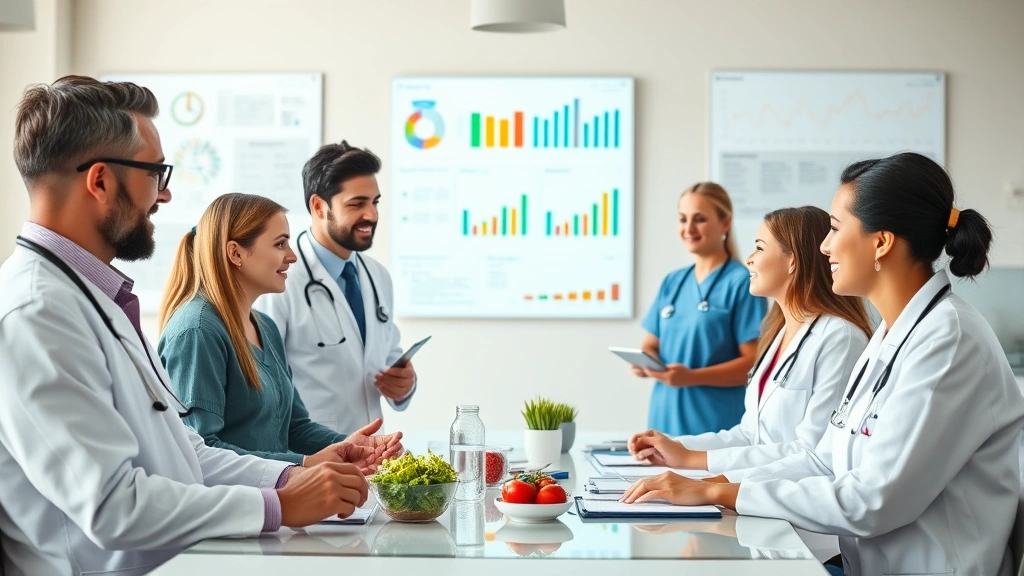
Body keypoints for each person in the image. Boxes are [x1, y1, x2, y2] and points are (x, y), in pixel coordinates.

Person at [0, 76, 369, 576]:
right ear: (101, 181)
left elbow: (185, 453)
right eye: (156, 172)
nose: (166, 194)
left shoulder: (95, 297)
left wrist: (290, 477)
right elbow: (113, 505)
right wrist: (277, 506)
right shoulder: (36, 312)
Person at [621, 153, 1024, 576]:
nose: (825, 245)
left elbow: (873, 501)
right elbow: (820, 460)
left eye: (834, 229)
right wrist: (709, 484)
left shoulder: (947, 339)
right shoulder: (891, 335)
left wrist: (723, 492)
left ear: (881, 242)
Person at [628, 206, 873, 562]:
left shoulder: (840, 338)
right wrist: (678, 449)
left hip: (809, 541)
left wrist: (709, 481)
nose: (748, 258)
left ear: (793, 261)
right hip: (760, 526)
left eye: (760, 247)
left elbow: (814, 455)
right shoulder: (778, 335)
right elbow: (748, 433)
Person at [158, 193, 403, 469]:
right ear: (236, 253)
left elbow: (294, 429)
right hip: (233, 507)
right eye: (280, 244)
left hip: (278, 502)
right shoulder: (198, 331)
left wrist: (348, 447)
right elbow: (201, 451)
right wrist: (304, 463)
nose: (292, 256)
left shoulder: (265, 328)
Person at [255, 141, 416, 434]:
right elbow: (263, 380)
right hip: (312, 455)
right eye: (357, 204)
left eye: (375, 202)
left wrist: (404, 386)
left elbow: (388, 355)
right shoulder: (280, 279)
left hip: (375, 453)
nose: (372, 215)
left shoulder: (378, 276)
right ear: (318, 206)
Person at [634, 182, 766, 436]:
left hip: (714, 427)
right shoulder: (673, 282)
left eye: (700, 219)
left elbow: (753, 363)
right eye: (683, 219)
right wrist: (645, 362)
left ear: (725, 223)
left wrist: (691, 376)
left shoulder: (742, 282)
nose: (688, 228)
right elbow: (650, 344)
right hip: (664, 419)